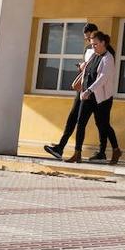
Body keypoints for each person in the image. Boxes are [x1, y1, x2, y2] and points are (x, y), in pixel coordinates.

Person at [44, 23, 97, 160]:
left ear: (95, 33)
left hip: (94, 92)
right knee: (73, 117)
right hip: (82, 89)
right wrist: (81, 67)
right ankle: (60, 147)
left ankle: (104, 151)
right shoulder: (87, 49)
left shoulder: (104, 50)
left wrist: (87, 67)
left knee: (101, 123)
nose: (88, 41)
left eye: (89, 37)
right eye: (86, 38)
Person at [70, 30, 122, 165]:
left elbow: (102, 78)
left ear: (103, 43)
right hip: (87, 96)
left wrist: (89, 90)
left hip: (102, 98)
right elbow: (87, 73)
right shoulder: (93, 56)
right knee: (80, 123)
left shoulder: (108, 58)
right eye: (92, 44)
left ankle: (116, 150)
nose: (93, 47)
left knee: (104, 125)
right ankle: (77, 153)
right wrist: (83, 89)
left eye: (95, 44)